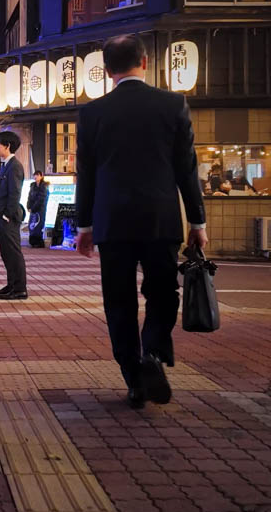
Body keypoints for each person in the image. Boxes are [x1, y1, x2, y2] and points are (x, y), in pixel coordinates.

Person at [74, 34, 207, 409]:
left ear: (105, 70)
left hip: (112, 223)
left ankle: (133, 378)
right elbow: (187, 170)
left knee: (118, 301)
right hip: (160, 219)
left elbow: (87, 175)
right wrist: (197, 222)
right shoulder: (173, 105)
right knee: (163, 293)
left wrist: (84, 227)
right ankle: (153, 353)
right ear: (145, 63)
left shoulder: (92, 113)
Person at [0, 130, 27, 300]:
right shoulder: (6, 165)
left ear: (7, 146)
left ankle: (19, 289)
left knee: (13, 252)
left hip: (9, 218)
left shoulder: (14, 166)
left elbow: (14, 194)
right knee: (6, 253)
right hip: (3, 218)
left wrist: (6, 216)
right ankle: (12, 285)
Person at [26, 171, 50, 248]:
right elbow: (29, 197)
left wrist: (34, 208)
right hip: (33, 209)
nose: (35, 177)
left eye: (37, 175)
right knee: (32, 224)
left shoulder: (44, 186)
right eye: (34, 175)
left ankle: (38, 242)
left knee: (38, 224)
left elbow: (41, 199)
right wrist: (29, 206)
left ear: (41, 176)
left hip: (40, 209)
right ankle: (33, 241)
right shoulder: (33, 186)